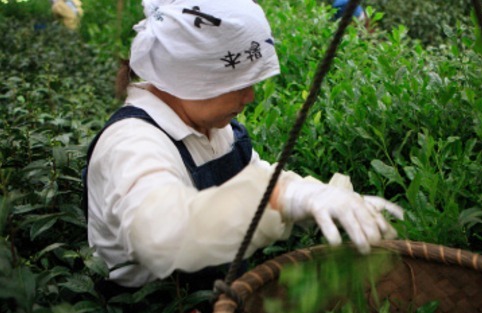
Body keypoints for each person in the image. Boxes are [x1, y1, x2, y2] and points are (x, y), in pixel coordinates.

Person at [84, 0, 403, 297]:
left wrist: (312, 195)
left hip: (214, 293)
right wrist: (282, 200)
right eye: (239, 85)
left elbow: (255, 176)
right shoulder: (132, 143)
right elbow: (160, 234)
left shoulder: (213, 129)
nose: (249, 97)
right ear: (194, 78)